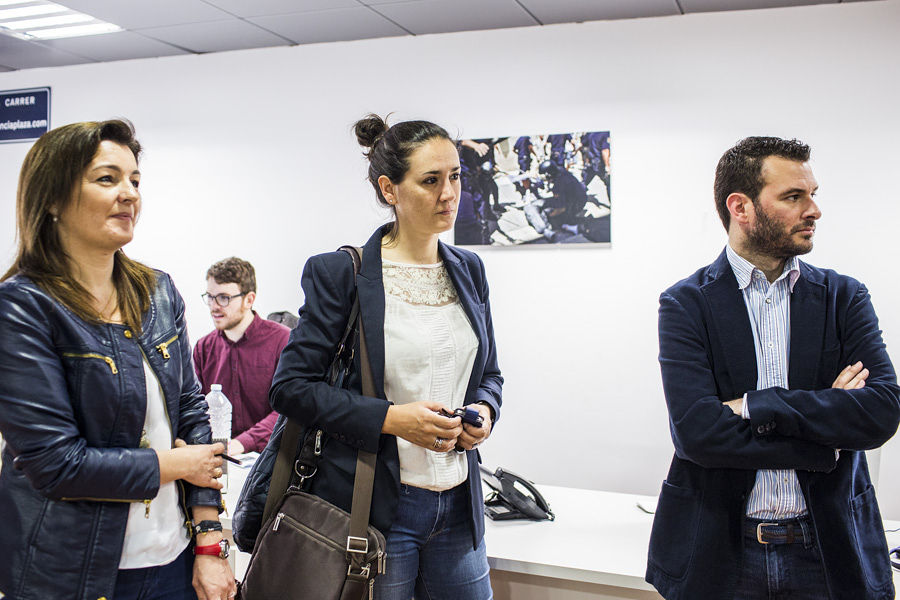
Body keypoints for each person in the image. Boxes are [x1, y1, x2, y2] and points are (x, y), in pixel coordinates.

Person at [646, 136, 900, 600]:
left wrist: (754, 406)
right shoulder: (685, 304)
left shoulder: (844, 297)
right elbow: (698, 433)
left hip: (829, 551)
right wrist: (828, 432)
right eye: (793, 197)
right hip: (720, 554)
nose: (814, 210)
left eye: (813, 194)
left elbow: (882, 412)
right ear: (740, 208)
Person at [269, 114, 503, 599]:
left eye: (456, 176)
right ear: (389, 189)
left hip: (459, 504)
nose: (449, 193)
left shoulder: (469, 269)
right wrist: (393, 420)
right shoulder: (342, 272)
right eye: (431, 181)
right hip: (376, 508)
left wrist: (483, 411)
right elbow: (289, 388)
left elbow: (490, 375)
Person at [0, 120, 236, 600]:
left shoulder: (158, 291)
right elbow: (57, 465)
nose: (129, 193)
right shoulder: (22, 307)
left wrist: (210, 539)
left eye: (134, 180)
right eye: (107, 179)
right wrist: (175, 464)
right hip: (71, 569)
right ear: (51, 198)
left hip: (173, 557)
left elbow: (190, 410)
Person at [193, 257, 290, 455]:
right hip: (221, 458)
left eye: (223, 298)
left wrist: (241, 443)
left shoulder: (284, 340)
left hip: (272, 456)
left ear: (249, 299)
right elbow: (195, 407)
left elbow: (288, 410)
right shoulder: (203, 347)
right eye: (210, 297)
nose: (214, 306)